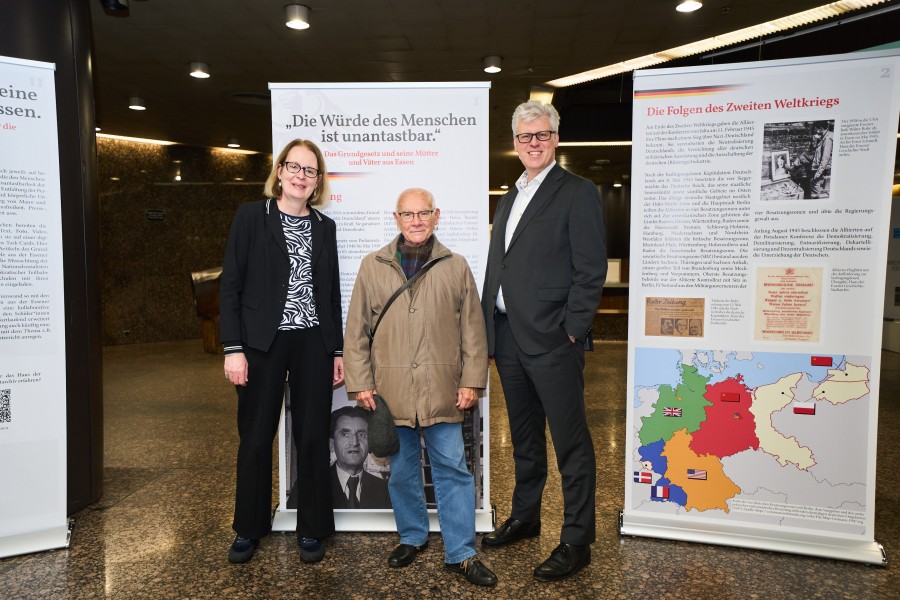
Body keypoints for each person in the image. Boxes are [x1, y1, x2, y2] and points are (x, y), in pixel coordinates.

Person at [344, 188, 498, 587]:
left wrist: (471, 381)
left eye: (423, 212)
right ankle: (412, 536)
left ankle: (461, 552)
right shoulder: (372, 266)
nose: (416, 220)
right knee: (401, 471)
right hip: (390, 392)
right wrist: (360, 383)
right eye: (408, 214)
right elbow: (356, 331)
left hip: (443, 390)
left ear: (436, 215)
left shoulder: (456, 266)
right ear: (396, 218)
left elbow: (474, 332)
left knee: (453, 470)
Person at [481, 101, 607, 582]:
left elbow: (590, 269)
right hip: (509, 336)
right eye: (524, 137)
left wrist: (572, 328)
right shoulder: (509, 197)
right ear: (514, 144)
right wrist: (491, 328)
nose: (533, 143)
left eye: (542, 135)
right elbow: (503, 264)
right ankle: (526, 517)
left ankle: (577, 540)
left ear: (556, 139)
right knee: (525, 440)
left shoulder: (577, 192)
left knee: (571, 444)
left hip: (554, 338)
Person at [220, 139, 344, 564]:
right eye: (294, 166)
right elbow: (231, 285)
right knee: (255, 437)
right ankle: (249, 528)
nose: (300, 176)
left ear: (317, 181)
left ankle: (311, 527)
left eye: (309, 171)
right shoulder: (251, 217)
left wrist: (337, 350)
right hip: (260, 344)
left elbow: (330, 295)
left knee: (311, 436)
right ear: (279, 170)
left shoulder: (324, 227)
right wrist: (233, 348)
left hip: (313, 342)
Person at [329, 405, 391, 509]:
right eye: (345, 434)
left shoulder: (385, 490)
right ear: (331, 444)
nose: (355, 442)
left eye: (362, 434)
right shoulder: (311, 486)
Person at [810, 121, 833, 198]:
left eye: (816, 129)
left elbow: (825, 159)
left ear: (821, 128)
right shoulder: (825, 135)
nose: (816, 131)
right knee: (814, 185)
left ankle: (816, 201)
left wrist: (818, 173)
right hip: (818, 164)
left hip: (821, 167)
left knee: (815, 186)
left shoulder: (827, 139)